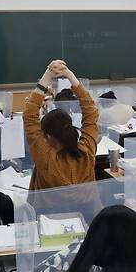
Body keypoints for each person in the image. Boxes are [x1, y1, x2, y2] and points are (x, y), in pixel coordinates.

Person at [23, 60, 98, 190]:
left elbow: (29, 115)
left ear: (49, 137)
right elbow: (90, 112)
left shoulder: (45, 158)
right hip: (89, 205)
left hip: (46, 205)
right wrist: (69, 75)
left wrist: (48, 74)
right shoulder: (86, 153)